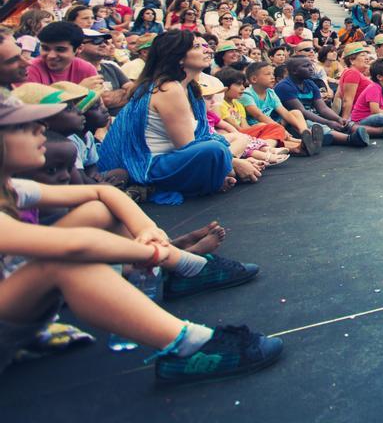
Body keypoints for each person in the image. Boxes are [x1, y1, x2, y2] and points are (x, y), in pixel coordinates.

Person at [0, 96, 282, 382]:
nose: (41, 129)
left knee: (98, 211)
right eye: (23, 126)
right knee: (62, 262)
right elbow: (76, 245)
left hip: (15, 300)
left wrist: (150, 232)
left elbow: (105, 194)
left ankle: (171, 271)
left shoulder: (11, 187)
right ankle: (187, 343)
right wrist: (158, 254)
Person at [96, 31, 246, 205]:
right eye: (197, 47)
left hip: (171, 160)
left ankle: (215, 174)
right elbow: (188, 146)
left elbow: (198, 139)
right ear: (179, 57)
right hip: (152, 166)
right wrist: (234, 163)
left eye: (205, 46)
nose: (207, 50)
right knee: (214, 150)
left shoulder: (187, 87)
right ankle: (157, 186)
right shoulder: (168, 88)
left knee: (236, 139)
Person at [24, 22, 101, 88]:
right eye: (45, 48)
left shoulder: (87, 69)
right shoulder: (29, 70)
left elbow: (99, 104)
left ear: (79, 49)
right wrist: (80, 90)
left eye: (60, 50)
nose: (51, 55)